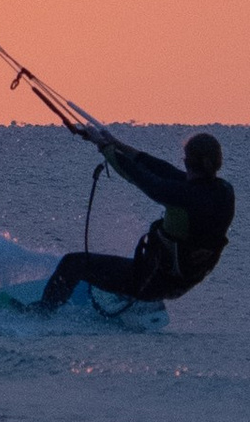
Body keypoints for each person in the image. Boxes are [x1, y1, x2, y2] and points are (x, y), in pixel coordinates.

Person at [35, 126, 232, 311]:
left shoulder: (183, 196)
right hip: (181, 281)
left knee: (73, 263)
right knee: (122, 267)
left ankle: (42, 314)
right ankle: (129, 300)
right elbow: (160, 169)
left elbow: (141, 178)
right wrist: (116, 144)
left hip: (150, 282)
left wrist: (104, 147)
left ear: (188, 162)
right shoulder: (223, 191)